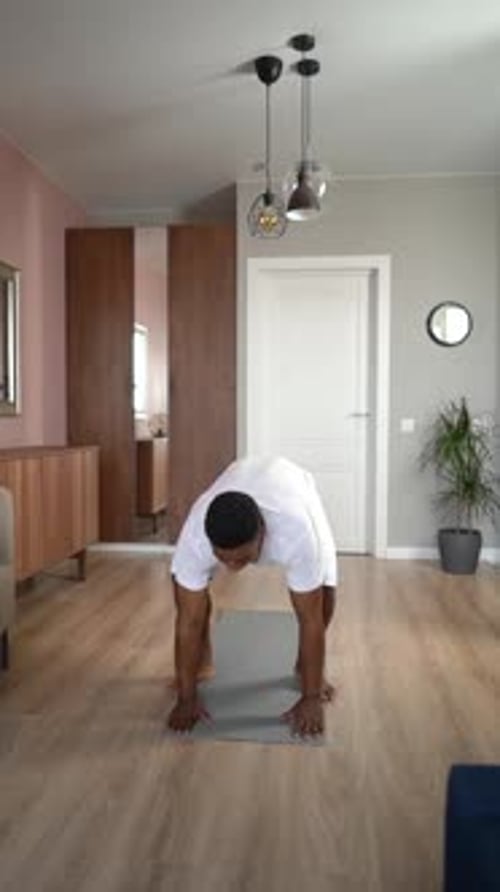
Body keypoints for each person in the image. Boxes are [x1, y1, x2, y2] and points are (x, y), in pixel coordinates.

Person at [167, 456, 338, 737]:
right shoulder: (196, 535)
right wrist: (185, 699)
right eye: (224, 559)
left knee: (324, 592)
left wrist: (311, 698)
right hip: (241, 474)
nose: (233, 568)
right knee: (190, 602)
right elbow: (188, 621)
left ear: (263, 534)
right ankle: (202, 662)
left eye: (242, 558)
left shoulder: (297, 531)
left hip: (293, 486)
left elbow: (310, 620)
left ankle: (304, 669)